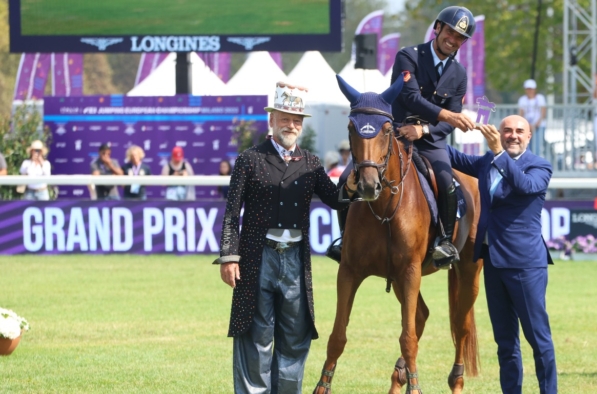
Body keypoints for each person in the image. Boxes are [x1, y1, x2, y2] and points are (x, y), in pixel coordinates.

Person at [214, 82, 351, 394]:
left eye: (297, 120)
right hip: (256, 257)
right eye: (285, 118)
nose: (292, 125)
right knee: (256, 335)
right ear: (271, 120)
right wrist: (229, 256)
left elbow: (338, 199)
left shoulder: (312, 163)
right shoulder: (249, 159)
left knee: (294, 334)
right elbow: (232, 213)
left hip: (295, 259)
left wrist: (360, 175)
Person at [328, 6, 478, 268]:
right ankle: (345, 240)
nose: (453, 40)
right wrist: (447, 115)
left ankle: (443, 241)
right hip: (395, 135)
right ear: (438, 28)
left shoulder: (460, 74)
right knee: (345, 176)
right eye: (451, 32)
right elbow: (409, 97)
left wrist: (425, 130)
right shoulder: (408, 56)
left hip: (431, 141)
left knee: (447, 182)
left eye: (460, 38)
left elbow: (449, 124)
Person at [447, 115, 556, 394]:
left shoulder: (539, 166)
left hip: (525, 266)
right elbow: (450, 155)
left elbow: (524, 186)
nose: (513, 135)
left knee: (538, 339)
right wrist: (427, 126)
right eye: (507, 130)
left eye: (520, 131)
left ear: (529, 136)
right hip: (492, 262)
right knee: (505, 343)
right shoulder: (486, 162)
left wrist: (497, 152)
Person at [518, 79, 546, 153]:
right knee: (526, 146)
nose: (529, 91)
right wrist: (527, 125)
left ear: (534, 89)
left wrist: (537, 123)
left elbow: (543, 111)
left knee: (537, 146)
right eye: (528, 89)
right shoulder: (522, 99)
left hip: (539, 125)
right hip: (527, 126)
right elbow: (521, 113)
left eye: (531, 89)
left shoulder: (540, 98)